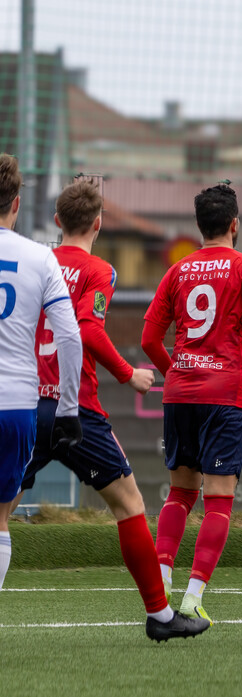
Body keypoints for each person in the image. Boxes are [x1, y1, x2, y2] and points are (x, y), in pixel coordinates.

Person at [15, 178, 207, 641]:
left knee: (3, 510)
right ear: (99, 224)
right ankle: (160, 616)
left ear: (57, 221)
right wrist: (128, 374)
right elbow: (87, 328)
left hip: (25, 402)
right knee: (129, 504)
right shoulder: (99, 270)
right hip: (74, 408)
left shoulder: (34, 261)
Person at [141, 183, 242, 624]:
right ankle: (192, 599)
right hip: (225, 395)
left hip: (180, 394)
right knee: (219, 500)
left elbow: (149, 338)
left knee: (179, 492)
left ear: (199, 226)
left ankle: (160, 585)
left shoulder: (177, 271)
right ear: (235, 224)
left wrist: (178, 371)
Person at [0, 155, 83, 602]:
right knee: (0, 518)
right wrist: (68, 408)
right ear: (16, 203)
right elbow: (70, 337)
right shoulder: (40, 258)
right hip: (17, 404)